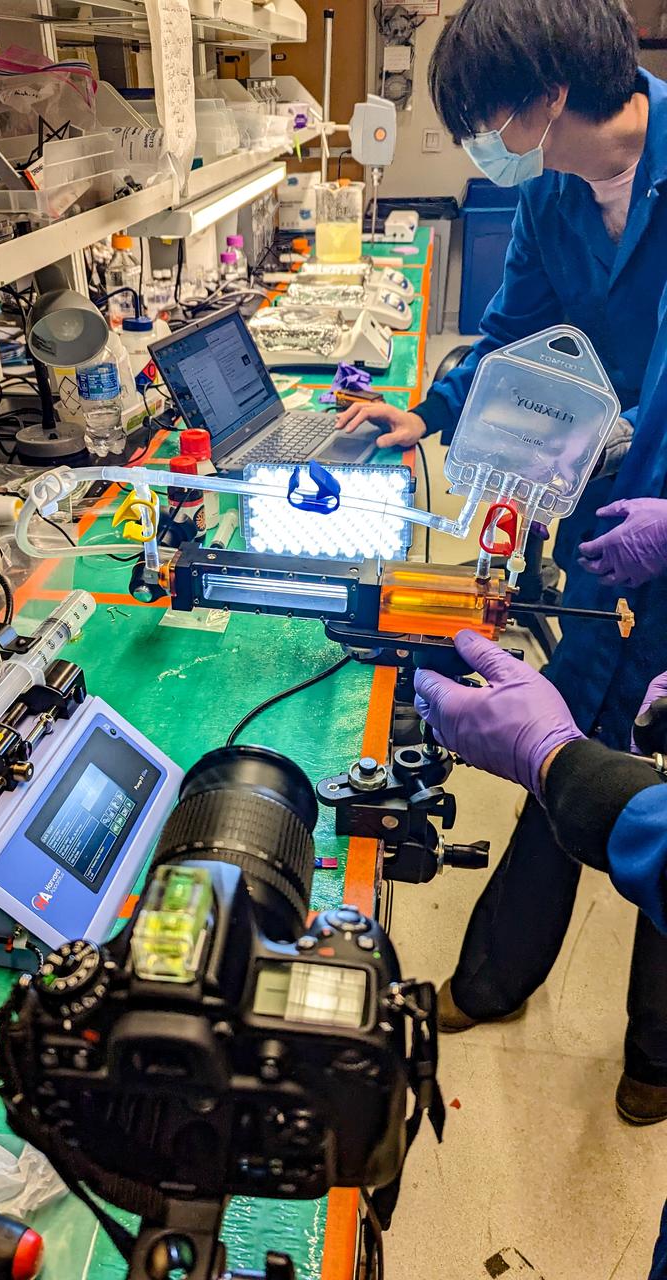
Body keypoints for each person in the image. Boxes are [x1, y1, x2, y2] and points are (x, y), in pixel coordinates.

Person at [337, 0, 667, 1124]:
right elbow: (512, 332)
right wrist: (426, 411)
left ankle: (660, 1054)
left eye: (487, 119)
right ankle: (492, 979)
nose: (484, 144)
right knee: (560, 748)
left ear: (551, 99)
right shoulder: (549, 194)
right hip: (607, 534)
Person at [412, 630, 667, 1277]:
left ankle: (657, 1055)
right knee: (578, 715)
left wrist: (554, 760)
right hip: (611, 603)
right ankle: (494, 979)